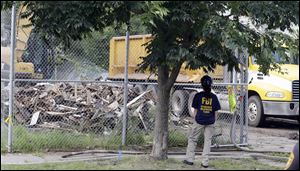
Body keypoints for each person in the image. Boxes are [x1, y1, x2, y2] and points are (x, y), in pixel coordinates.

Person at [183, 75, 221, 168]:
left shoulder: (198, 95)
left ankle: (190, 159)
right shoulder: (214, 97)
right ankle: (205, 162)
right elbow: (216, 112)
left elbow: (195, 111)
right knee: (207, 141)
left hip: (199, 121)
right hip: (210, 122)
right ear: (211, 85)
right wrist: (213, 121)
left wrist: (196, 119)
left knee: (192, 139)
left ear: (201, 85)